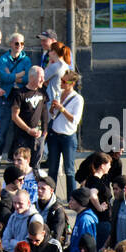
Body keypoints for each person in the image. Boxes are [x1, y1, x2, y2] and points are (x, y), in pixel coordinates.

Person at [46, 71, 84, 199]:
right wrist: (52, 109)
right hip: (54, 135)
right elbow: (52, 115)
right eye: (61, 80)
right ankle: (51, 196)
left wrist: (62, 109)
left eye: (64, 81)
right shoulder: (59, 93)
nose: (61, 83)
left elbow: (75, 120)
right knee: (52, 169)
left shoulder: (78, 99)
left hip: (68, 137)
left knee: (69, 170)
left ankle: (71, 198)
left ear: (71, 84)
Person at [0, 31, 32, 159]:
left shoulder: (26, 59)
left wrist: (12, 76)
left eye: (22, 43)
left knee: (19, 129)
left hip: (21, 96)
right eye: (17, 43)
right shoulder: (3, 59)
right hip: (7, 95)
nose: (19, 46)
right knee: (3, 128)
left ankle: (14, 156)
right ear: (11, 44)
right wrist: (19, 75)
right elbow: (3, 78)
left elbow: (28, 78)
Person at [10, 66, 48, 168]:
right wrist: (28, 130)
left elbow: (44, 113)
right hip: (22, 136)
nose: (43, 80)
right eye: (40, 77)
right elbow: (14, 116)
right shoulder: (20, 94)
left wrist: (44, 132)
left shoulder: (42, 92)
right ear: (31, 77)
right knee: (21, 166)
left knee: (35, 167)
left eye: (43, 77)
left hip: (38, 137)